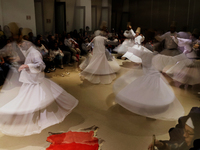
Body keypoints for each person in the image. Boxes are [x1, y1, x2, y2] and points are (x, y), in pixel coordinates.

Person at [0, 40, 78, 136]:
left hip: (34, 82)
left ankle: (35, 120)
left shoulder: (34, 53)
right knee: (33, 101)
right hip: (31, 81)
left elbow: (41, 65)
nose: (20, 46)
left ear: (28, 43)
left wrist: (27, 65)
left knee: (32, 101)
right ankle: (37, 119)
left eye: (22, 44)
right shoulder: (29, 51)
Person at [113, 46, 184, 120]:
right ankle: (150, 113)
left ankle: (141, 108)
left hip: (145, 78)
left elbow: (134, 51)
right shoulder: (163, 58)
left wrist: (127, 48)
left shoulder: (145, 54)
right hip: (156, 80)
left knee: (142, 93)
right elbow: (176, 59)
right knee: (154, 96)